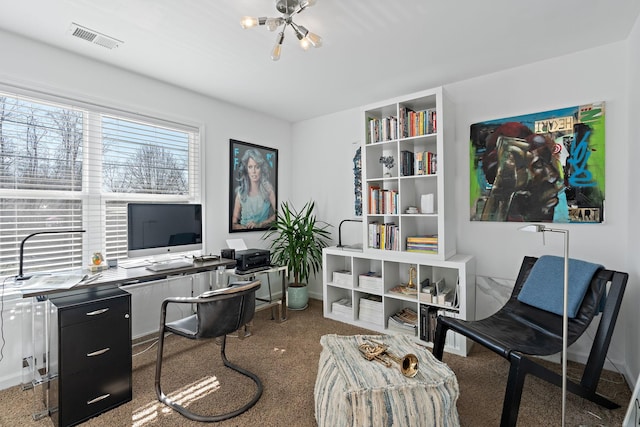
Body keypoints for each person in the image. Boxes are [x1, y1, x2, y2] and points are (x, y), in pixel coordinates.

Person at [232, 148, 276, 230]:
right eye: (250, 167)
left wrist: (261, 224)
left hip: (263, 235)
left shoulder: (268, 189)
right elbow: (233, 224)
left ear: (261, 169)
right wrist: (244, 228)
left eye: (257, 167)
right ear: (246, 170)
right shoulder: (240, 193)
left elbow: (278, 214)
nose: (254, 171)